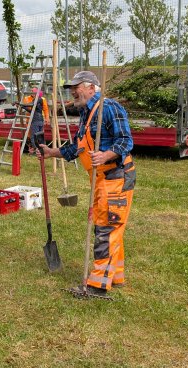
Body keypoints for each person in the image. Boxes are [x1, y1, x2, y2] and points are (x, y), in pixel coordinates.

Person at [39, 71, 135, 300]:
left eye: (77, 86)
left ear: (92, 88)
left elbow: (126, 141)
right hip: (101, 178)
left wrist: (105, 155)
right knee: (112, 225)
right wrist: (52, 152)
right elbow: (78, 148)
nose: (72, 91)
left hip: (115, 175)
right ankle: (115, 275)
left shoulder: (108, 107)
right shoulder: (87, 113)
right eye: (71, 88)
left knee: (106, 228)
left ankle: (98, 285)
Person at [22, 87, 49, 153]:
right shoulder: (28, 98)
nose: (32, 92)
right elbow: (31, 110)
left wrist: (22, 105)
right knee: (37, 135)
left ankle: (37, 150)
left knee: (34, 136)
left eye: (33, 91)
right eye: (31, 90)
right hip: (34, 119)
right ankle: (37, 149)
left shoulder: (38, 99)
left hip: (35, 120)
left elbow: (45, 109)